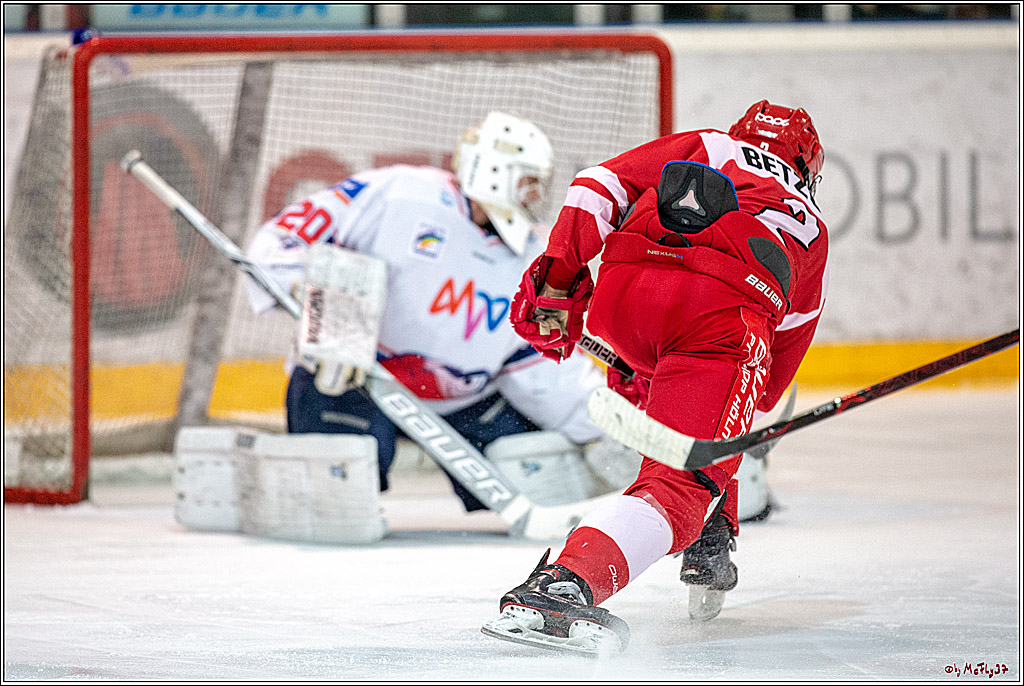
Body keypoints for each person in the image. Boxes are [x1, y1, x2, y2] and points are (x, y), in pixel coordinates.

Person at [485, 100, 828, 652]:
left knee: (659, 385)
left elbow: (593, 187)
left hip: (623, 302)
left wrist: (558, 280)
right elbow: (763, 392)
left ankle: (710, 517)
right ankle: (565, 583)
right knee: (683, 483)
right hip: (721, 320)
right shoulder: (812, 224)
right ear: (808, 167)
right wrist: (714, 470)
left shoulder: (711, 144)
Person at [243, 111, 618, 514]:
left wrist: (607, 428)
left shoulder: (532, 253)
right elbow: (279, 241)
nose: (534, 195)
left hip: (464, 402)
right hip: (357, 381)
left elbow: (538, 364)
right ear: (494, 171)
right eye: (527, 181)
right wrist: (310, 291)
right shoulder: (398, 194)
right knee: (334, 505)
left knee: (539, 480)